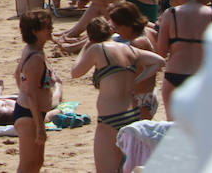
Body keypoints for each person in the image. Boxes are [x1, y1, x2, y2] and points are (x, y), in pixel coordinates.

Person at [69, 19, 163, 173]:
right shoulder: (129, 49)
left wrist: (85, 47)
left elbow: (75, 72)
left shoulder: (97, 49)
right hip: (132, 115)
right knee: (127, 167)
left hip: (109, 118)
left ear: (91, 37)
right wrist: (137, 80)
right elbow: (158, 61)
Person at [13, 10, 57, 173]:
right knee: (28, 165)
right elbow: (30, 93)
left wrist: (23, 93)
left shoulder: (31, 49)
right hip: (29, 115)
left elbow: (17, 74)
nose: (51, 29)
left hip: (29, 111)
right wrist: (40, 126)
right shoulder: (36, 58)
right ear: (34, 31)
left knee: (36, 162)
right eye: (47, 27)